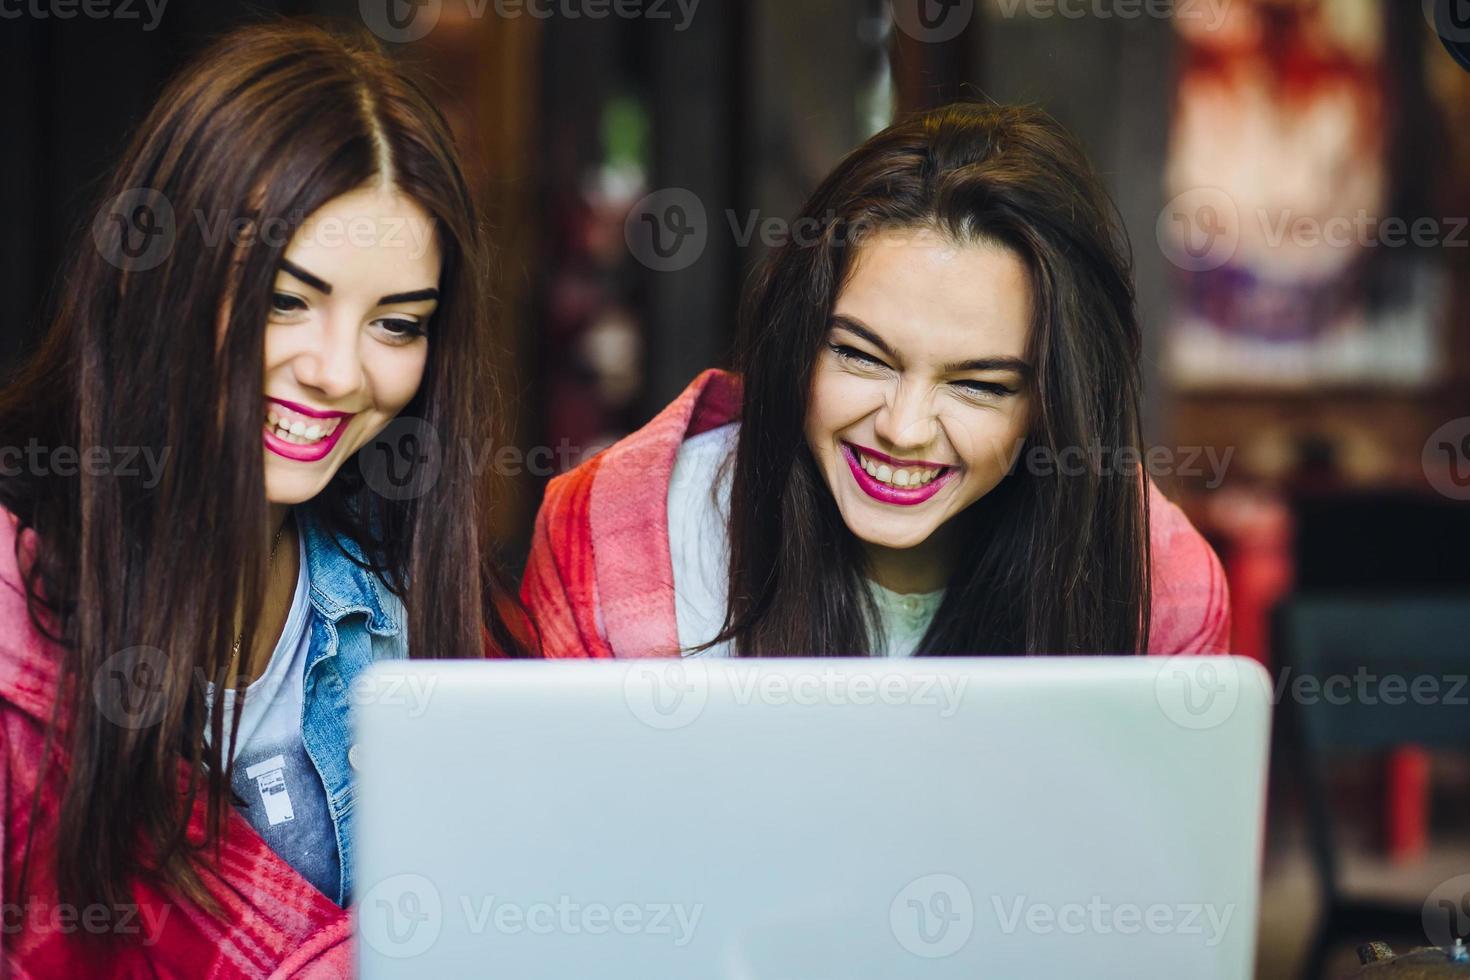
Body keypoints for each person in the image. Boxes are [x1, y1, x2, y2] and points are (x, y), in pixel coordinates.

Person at [0, 22, 528, 975]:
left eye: (395, 324)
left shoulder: (403, 619)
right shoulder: (18, 619)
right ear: (162, 278)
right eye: (286, 299)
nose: (336, 371)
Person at [524, 102, 1230, 659]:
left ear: (1052, 406)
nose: (904, 426)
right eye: (862, 356)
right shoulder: (617, 541)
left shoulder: (1159, 591)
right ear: (797, 340)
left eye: (980, 385)